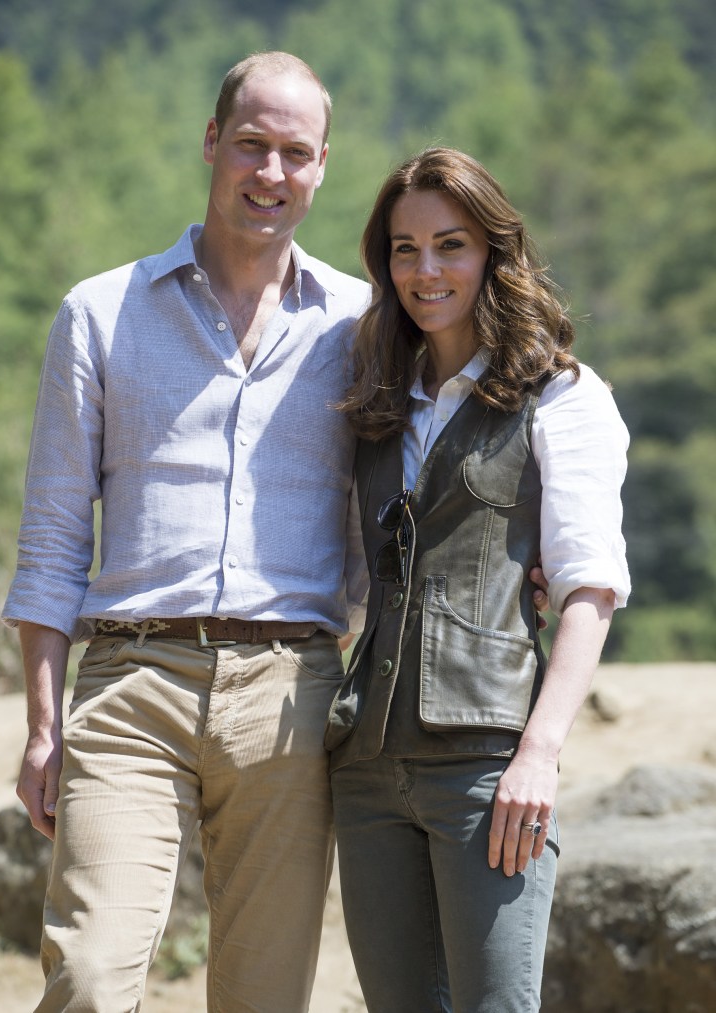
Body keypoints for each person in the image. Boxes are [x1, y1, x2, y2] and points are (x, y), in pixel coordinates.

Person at [2, 51, 373, 1013]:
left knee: (263, 998)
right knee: (87, 978)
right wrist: (45, 729)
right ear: (213, 142)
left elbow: (416, 492)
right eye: (252, 144)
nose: (271, 173)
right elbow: (50, 538)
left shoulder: (362, 324)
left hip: (291, 694)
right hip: (131, 683)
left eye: (295, 152)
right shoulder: (100, 312)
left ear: (323, 164)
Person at [325, 147, 630, 1013]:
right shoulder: (377, 403)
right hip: (368, 766)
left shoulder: (563, 396)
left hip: (488, 767)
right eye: (403, 248)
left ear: (495, 252)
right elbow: (351, 578)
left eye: (450, 244)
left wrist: (539, 752)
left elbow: (589, 589)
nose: (426, 270)